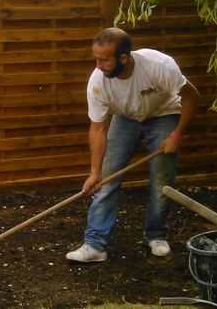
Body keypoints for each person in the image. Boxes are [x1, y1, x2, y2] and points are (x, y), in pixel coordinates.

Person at [66, 27, 199, 262]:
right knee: (106, 180)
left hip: (164, 114)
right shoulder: (98, 82)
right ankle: (95, 244)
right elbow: (98, 129)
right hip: (126, 117)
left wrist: (177, 134)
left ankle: (156, 235)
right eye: (96, 58)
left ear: (124, 58)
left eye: (104, 60)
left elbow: (191, 96)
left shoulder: (159, 66)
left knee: (161, 178)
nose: (98, 65)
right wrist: (95, 172)